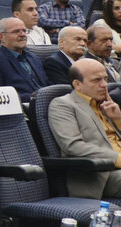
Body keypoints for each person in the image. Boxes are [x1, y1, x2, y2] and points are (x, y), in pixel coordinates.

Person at [47, 58, 121, 198]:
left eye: (105, 79)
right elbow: (73, 146)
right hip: (101, 175)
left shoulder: (107, 104)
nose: (104, 85)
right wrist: (117, 158)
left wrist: (118, 120)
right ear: (77, 84)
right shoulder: (63, 105)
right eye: (96, 80)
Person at [0, 18, 48, 101]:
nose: (22, 35)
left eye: (24, 31)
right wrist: (35, 98)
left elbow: (46, 84)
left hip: (44, 103)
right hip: (21, 106)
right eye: (16, 31)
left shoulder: (34, 58)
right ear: (2, 37)